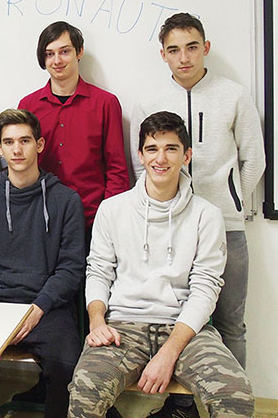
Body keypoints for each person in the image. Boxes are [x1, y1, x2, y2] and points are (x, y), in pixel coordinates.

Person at [68, 111, 254, 418]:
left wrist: (169, 353)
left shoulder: (206, 215)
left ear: (186, 156)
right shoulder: (112, 209)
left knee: (236, 396)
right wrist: (97, 322)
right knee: (84, 394)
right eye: (152, 149)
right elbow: (98, 271)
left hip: (186, 330)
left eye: (171, 149)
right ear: (140, 156)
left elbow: (205, 289)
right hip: (122, 327)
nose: (161, 158)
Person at [129, 14, 265, 416]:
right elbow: (142, 165)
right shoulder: (149, 100)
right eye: (174, 50)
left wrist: (230, 201)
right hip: (170, 230)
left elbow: (254, 160)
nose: (184, 57)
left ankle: (233, 403)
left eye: (191, 47)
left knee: (230, 323)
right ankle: (182, 407)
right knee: (179, 319)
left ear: (205, 48)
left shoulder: (234, 95)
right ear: (163, 55)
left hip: (227, 226)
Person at [17, 20, 129, 403]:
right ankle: (53, 380)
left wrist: (109, 224)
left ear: (78, 52)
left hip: (93, 222)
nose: (57, 60)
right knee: (52, 305)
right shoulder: (29, 105)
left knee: (91, 305)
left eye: (64, 51)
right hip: (43, 225)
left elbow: (117, 169)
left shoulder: (105, 103)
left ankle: (90, 389)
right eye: (49, 54)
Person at [0, 108, 86, 418]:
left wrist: (39, 307)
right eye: (9, 142)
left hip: (46, 307)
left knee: (68, 365)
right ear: (0, 148)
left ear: (40, 145)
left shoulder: (67, 200)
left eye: (25, 141)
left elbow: (71, 267)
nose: (17, 149)